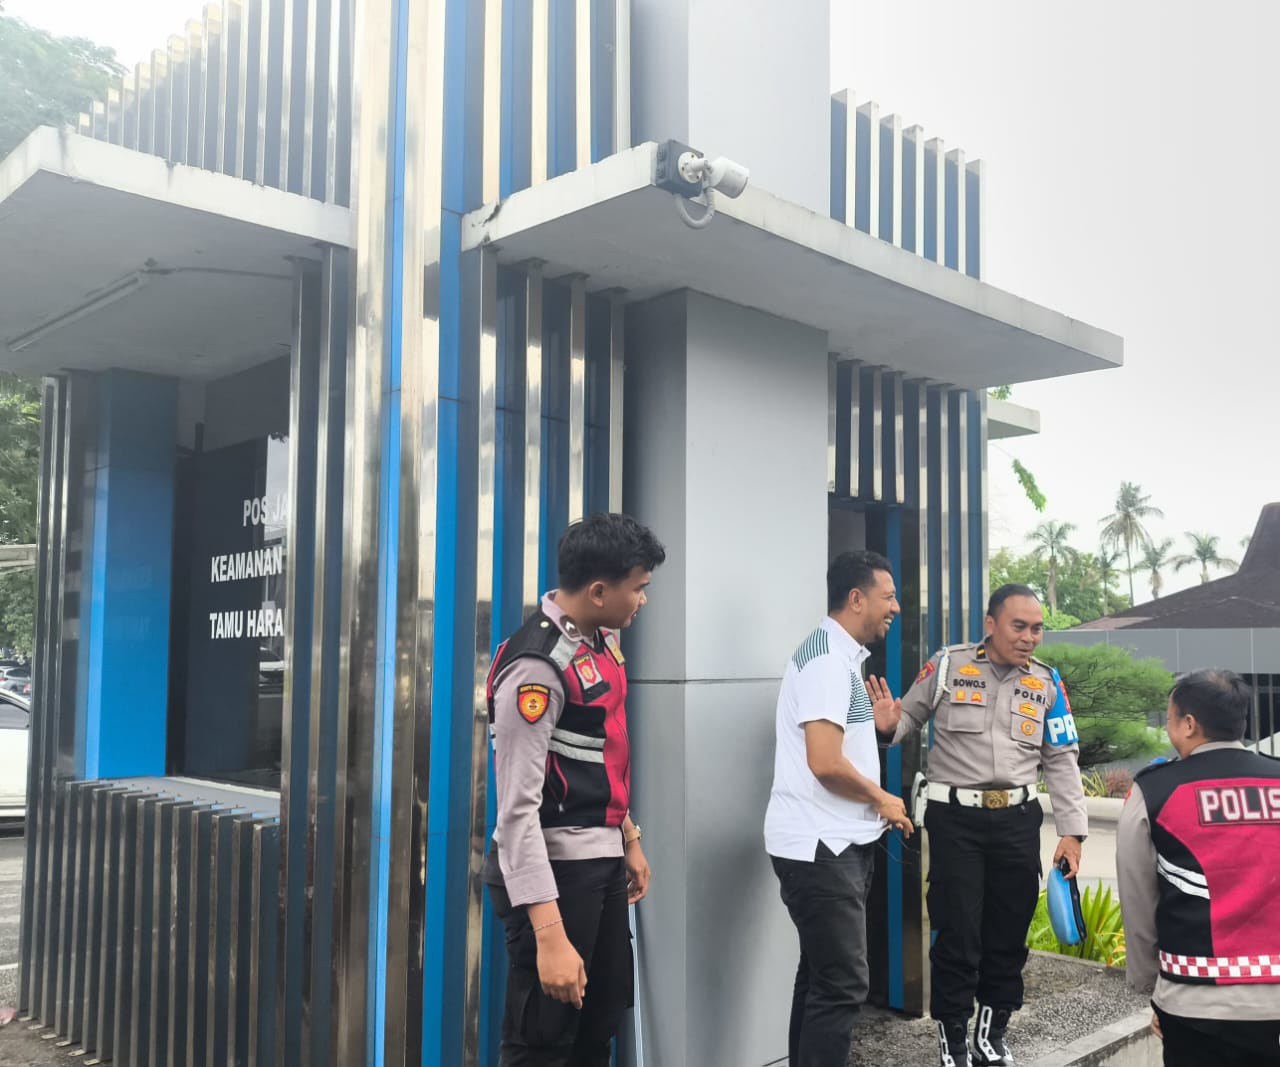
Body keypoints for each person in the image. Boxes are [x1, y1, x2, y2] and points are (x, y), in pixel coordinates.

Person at [482, 513, 666, 1066]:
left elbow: (600, 753)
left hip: (599, 863)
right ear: (599, 591)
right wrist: (549, 934)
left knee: (598, 1024)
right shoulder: (537, 667)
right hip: (556, 874)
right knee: (545, 1039)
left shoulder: (598, 642)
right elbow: (516, 813)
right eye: (639, 588)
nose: (643, 600)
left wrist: (628, 836)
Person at [880, 583, 1088, 1067]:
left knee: (1008, 934)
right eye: (1019, 626)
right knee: (957, 934)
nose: (1029, 637)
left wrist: (1072, 832)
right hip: (957, 821)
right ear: (991, 624)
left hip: (1017, 821)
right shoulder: (948, 665)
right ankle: (953, 1039)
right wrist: (887, 724)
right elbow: (906, 719)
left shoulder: (1047, 682)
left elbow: (1062, 758)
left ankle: (992, 1035)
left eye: (1037, 629)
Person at [764, 550, 914, 1067]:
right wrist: (883, 799)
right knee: (844, 984)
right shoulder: (828, 661)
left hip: (833, 843)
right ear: (856, 598)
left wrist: (877, 730)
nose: (896, 607)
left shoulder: (837, 656)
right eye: (887, 596)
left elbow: (838, 749)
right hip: (821, 847)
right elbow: (824, 763)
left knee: (821, 978)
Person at [1116, 670, 1280, 1066]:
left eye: (1170, 717)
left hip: (1193, 1000)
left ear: (1188, 724)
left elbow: (1138, 900)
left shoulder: (1154, 790)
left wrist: (1152, 987)